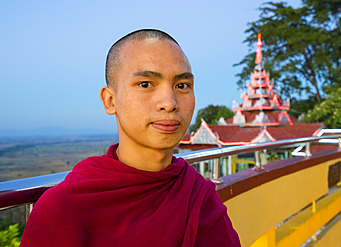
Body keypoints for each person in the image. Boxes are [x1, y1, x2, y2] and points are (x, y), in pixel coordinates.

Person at [20, 29, 241, 247]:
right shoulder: (64, 208)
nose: (170, 102)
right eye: (145, 84)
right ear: (109, 100)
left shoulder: (197, 193)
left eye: (182, 86)